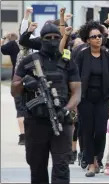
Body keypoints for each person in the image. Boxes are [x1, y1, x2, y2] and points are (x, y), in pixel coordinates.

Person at [10, 23, 81, 184]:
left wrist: (66, 110)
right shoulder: (29, 61)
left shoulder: (67, 62)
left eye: (56, 38)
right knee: (37, 167)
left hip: (61, 121)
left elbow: (77, 92)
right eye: (48, 38)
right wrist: (25, 83)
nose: (53, 41)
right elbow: (14, 90)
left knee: (62, 166)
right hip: (35, 122)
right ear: (41, 40)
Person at [76, 21, 109, 177]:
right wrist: (74, 99)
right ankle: (91, 164)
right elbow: (75, 77)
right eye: (94, 37)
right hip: (85, 98)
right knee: (87, 130)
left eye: (99, 36)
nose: (98, 39)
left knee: (100, 131)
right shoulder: (81, 55)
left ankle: (97, 158)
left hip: (103, 98)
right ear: (87, 40)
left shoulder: (108, 56)